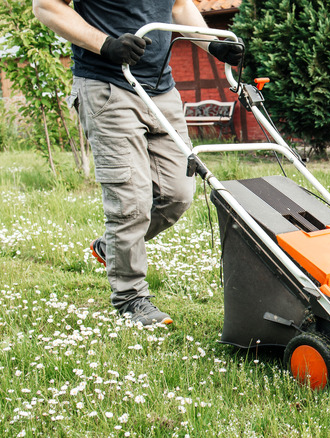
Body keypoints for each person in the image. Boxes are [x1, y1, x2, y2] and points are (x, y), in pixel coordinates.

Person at [32, 0, 242, 325]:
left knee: (178, 194)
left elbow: (179, 5)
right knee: (131, 204)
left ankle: (111, 248)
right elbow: (46, 7)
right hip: (108, 86)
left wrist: (211, 41)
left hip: (162, 89)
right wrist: (106, 45)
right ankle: (131, 300)